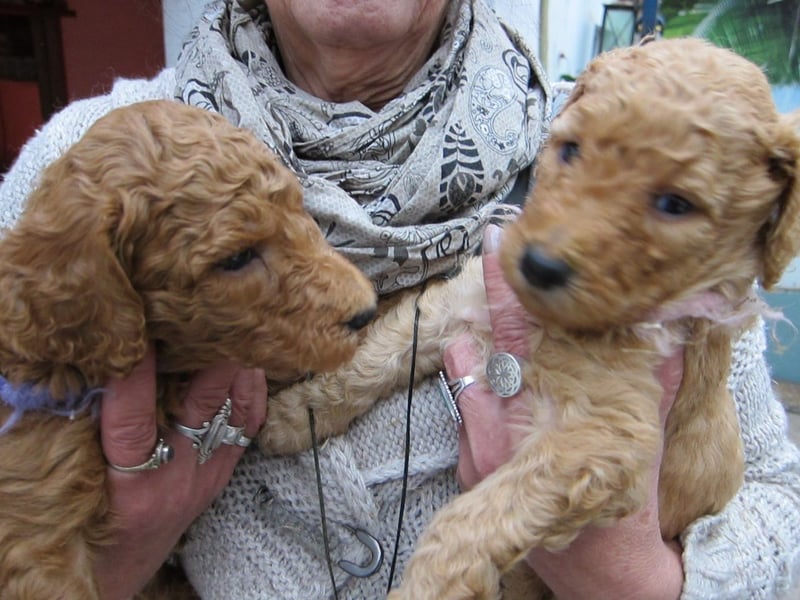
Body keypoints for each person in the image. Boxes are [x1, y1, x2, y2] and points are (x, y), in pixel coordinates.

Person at [0, 0, 798, 598]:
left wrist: (638, 579)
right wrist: (119, 555)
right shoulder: (85, 164)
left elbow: (781, 509)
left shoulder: (647, 147)